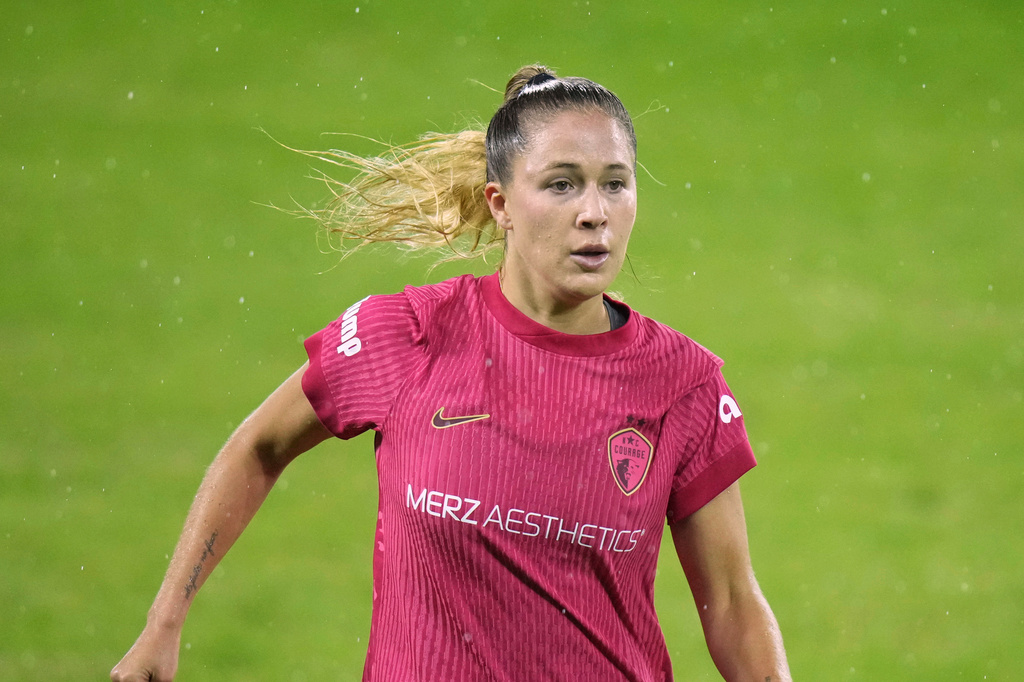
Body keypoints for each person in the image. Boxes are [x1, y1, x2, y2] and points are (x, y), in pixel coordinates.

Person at [111, 65, 791, 682]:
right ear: (500, 204)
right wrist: (164, 622)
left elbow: (732, 604)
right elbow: (259, 448)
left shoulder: (684, 383)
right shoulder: (407, 335)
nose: (595, 213)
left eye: (616, 183)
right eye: (562, 185)